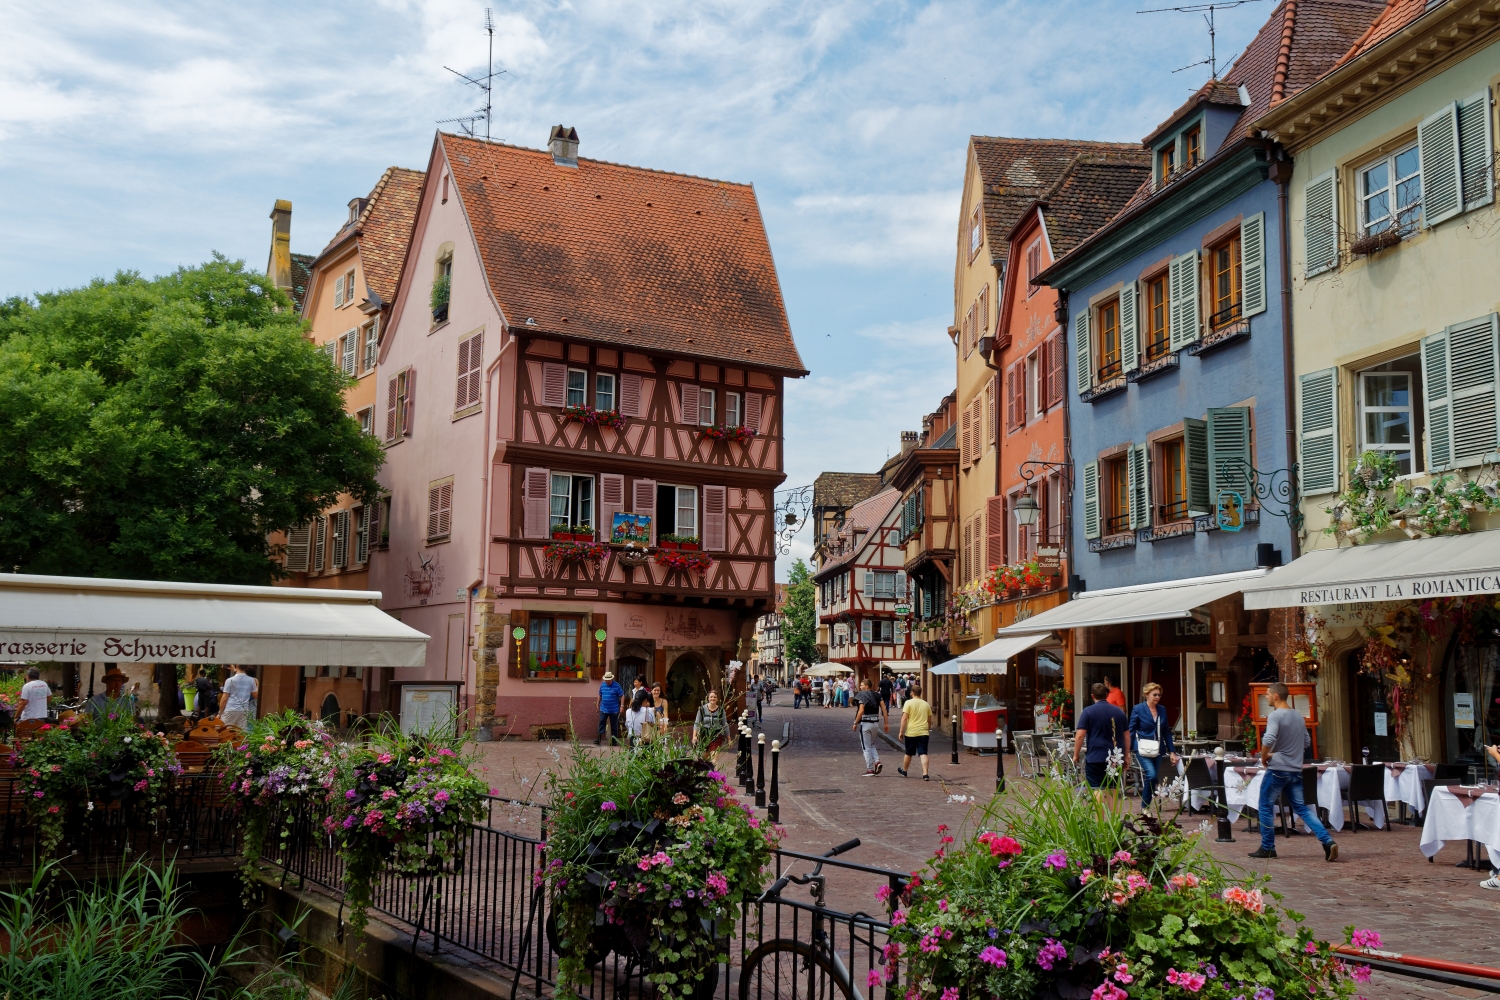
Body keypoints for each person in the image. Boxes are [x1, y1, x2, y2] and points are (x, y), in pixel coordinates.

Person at [1250, 682, 1338, 862]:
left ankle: (1268, 847)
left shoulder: (1275, 716)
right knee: (1301, 808)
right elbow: (1306, 741)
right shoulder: (1298, 716)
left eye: (1267, 694)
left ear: (1275, 696)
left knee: (1265, 806)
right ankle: (1327, 841)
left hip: (1278, 768)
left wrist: (1265, 756)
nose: (1265, 697)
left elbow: (1269, 737)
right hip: (1295, 770)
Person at [1129, 682, 1180, 808]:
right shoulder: (1138, 709)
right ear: (1146, 695)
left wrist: (1172, 751)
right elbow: (1131, 730)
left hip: (1158, 748)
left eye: (1159, 695)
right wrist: (1128, 751)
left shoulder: (1162, 709)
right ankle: (1145, 807)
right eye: (1154, 695)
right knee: (1151, 774)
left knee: (1154, 778)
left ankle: (1146, 806)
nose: (1157, 697)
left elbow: (1166, 732)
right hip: (1142, 747)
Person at [1073, 682, 1129, 791]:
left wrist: (1076, 754)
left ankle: (1099, 808)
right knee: (1112, 790)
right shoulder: (1119, 712)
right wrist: (1126, 756)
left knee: (1096, 790)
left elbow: (1080, 735)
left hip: (1095, 757)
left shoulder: (1088, 711)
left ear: (1092, 696)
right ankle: (1110, 808)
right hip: (1115, 758)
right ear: (1107, 695)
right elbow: (1126, 736)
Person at [851, 677, 888, 776]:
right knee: (871, 744)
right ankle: (877, 761)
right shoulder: (878, 695)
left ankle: (870, 769)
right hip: (875, 724)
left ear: (867, 686)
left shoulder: (861, 695)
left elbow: (861, 710)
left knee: (866, 747)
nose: (860, 686)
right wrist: (886, 723)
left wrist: (855, 723)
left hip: (865, 723)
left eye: (862, 685)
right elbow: (884, 709)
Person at [897, 681, 932, 780]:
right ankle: (925, 774)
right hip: (923, 732)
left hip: (911, 732)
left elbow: (904, 718)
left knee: (908, 752)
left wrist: (901, 731)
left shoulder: (908, 703)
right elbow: (929, 720)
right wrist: (927, 729)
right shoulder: (926, 704)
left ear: (912, 692)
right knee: (923, 753)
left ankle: (904, 770)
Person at [218, 663, 258, 729]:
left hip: (230, 709)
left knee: (226, 732)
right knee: (240, 734)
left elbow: (224, 698)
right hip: (244, 710)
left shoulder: (229, 680)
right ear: (246, 668)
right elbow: (255, 695)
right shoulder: (251, 680)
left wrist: (220, 712)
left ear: (236, 666)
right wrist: (258, 684)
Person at [595, 671, 625, 746]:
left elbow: (622, 695)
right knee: (601, 723)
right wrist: (597, 704)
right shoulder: (602, 685)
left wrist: (622, 706)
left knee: (614, 725)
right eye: (606, 680)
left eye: (608, 680)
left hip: (614, 709)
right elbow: (599, 695)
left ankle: (614, 741)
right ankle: (599, 739)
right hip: (603, 708)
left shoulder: (617, 685)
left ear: (611, 679)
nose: (607, 681)